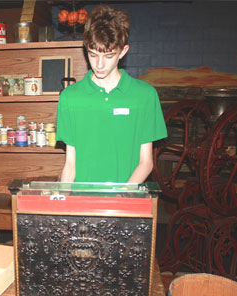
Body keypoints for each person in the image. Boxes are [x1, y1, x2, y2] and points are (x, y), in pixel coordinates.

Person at [56, 4, 167, 183]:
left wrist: (121, 198)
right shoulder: (70, 98)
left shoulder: (144, 96)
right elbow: (70, 163)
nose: (99, 64)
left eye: (108, 56)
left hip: (125, 201)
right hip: (82, 201)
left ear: (123, 51)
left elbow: (146, 163)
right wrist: (63, 203)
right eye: (93, 55)